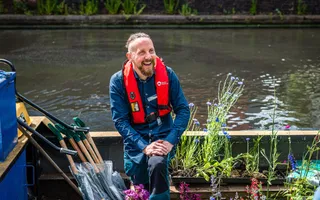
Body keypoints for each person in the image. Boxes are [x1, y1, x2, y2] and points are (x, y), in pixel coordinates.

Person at [109, 32, 190, 200]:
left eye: (151, 51)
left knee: (157, 162)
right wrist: (144, 146)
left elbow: (183, 110)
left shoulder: (168, 74)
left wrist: (170, 141)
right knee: (140, 189)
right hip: (136, 146)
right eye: (141, 52)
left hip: (163, 140)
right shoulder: (117, 82)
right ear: (129, 56)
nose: (148, 57)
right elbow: (120, 121)